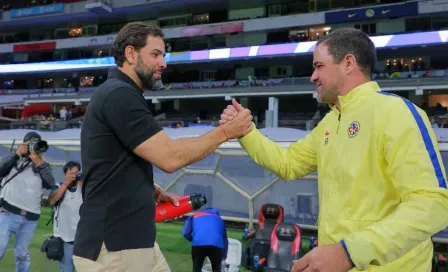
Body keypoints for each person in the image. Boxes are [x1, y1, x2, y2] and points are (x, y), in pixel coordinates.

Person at [219, 28, 448, 272]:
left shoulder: (397, 113)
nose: (312, 76)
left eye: (319, 66)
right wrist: (246, 132)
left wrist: (350, 252)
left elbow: (433, 204)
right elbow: (288, 164)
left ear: (348, 63)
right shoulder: (330, 123)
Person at [73, 22, 253, 272]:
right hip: (116, 247)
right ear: (131, 54)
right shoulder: (119, 95)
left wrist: (151, 190)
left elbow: (110, 162)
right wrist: (226, 132)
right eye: (155, 54)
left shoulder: (122, 93)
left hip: (132, 240)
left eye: (163, 55)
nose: (163, 63)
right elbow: (170, 158)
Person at [0, 132, 55, 272]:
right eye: (30, 144)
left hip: (30, 218)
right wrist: (17, 154)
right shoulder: (14, 159)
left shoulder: (43, 165)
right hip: (7, 213)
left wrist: (39, 163)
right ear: (24, 143)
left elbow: (50, 183)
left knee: (23, 255)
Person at [48, 161, 83, 272]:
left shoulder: (83, 188)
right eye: (71, 173)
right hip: (65, 239)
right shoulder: (58, 186)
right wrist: (66, 184)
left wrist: (84, 185)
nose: (74, 175)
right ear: (65, 174)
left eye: (76, 173)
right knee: (67, 269)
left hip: (81, 239)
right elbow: (52, 200)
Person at [182, 208, 228, 272]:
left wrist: (194, 240)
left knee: (196, 269)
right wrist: (224, 257)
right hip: (217, 245)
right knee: (216, 269)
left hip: (198, 243)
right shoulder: (220, 219)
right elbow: (225, 240)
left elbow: (185, 233)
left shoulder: (195, 215)